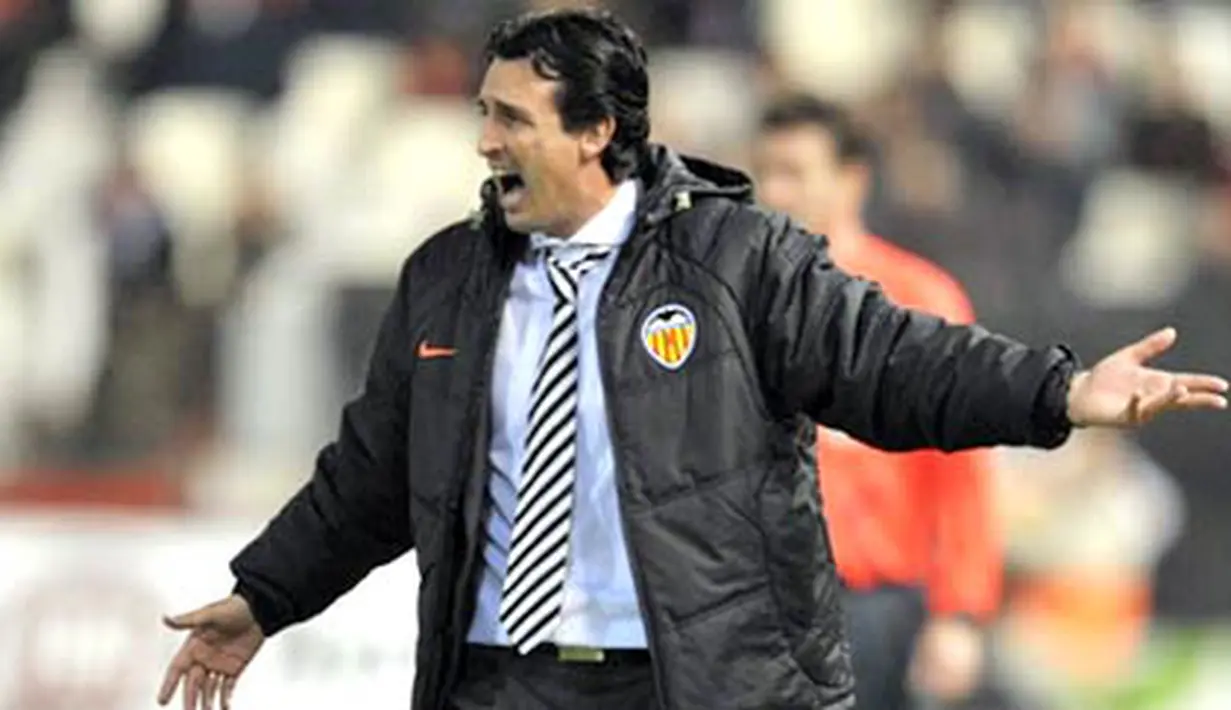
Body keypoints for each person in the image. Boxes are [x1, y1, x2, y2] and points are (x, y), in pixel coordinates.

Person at [156, 9, 1228, 710]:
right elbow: (371, 474)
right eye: (482, 112)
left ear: (593, 132)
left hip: (686, 680)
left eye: (508, 117)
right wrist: (264, 595)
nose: (481, 140)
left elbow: (894, 361)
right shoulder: (445, 278)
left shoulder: (733, 258)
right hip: (493, 683)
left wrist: (1063, 389)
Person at [751, 93, 999, 709]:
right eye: (766, 172)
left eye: (795, 173)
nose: (776, 193)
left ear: (851, 179)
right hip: (756, 606)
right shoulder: (734, 299)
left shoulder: (917, 300)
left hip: (872, 606)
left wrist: (960, 613)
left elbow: (963, 474)